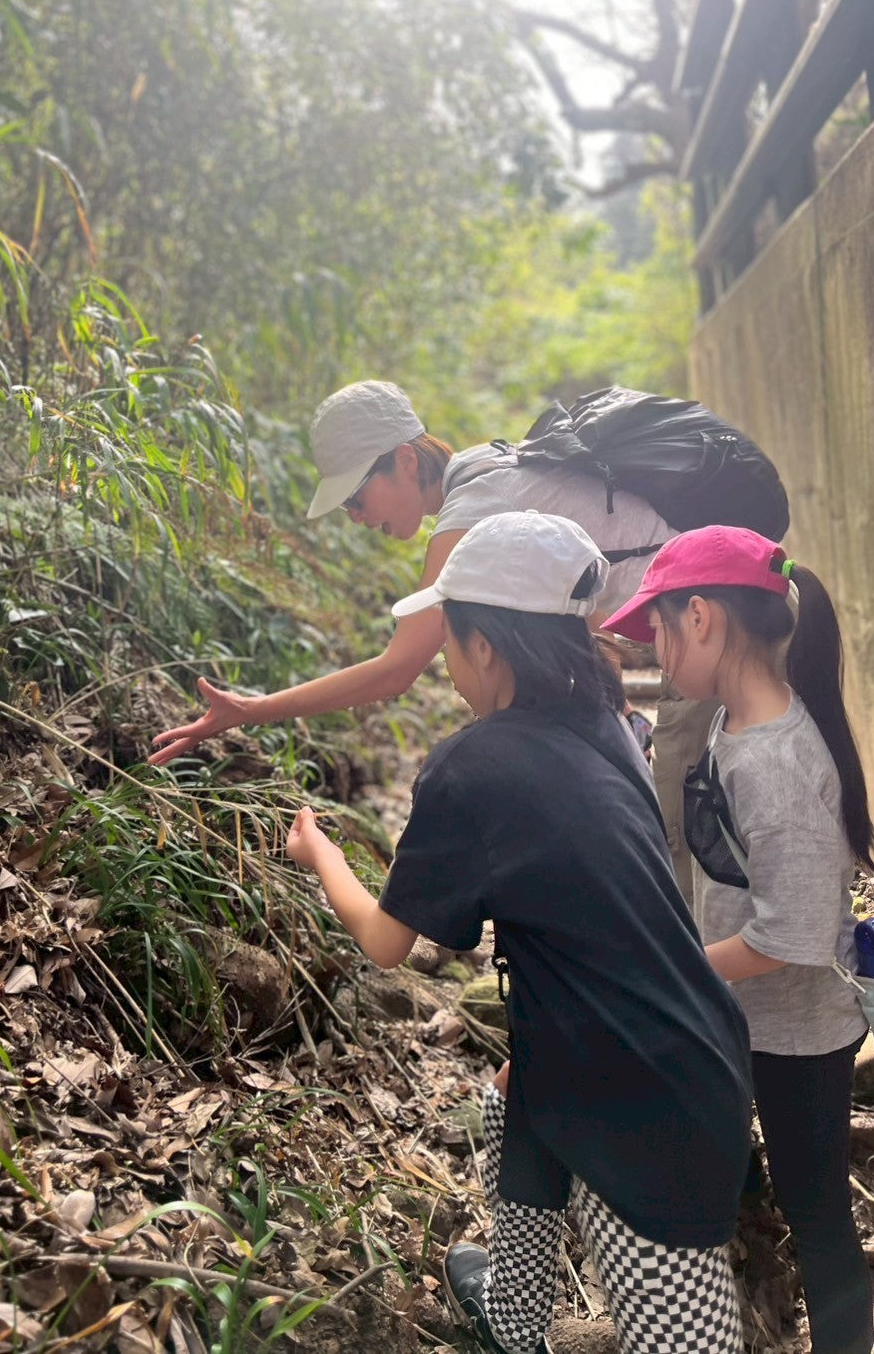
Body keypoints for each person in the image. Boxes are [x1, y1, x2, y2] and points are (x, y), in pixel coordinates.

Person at [287, 510, 752, 1354]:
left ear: (486, 647)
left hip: (648, 1103)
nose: (448, 662)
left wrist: (321, 853)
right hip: (671, 1046)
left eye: (449, 640)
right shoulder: (610, 721)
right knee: (515, 1097)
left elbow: (387, 943)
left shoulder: (474, 767)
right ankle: (513, 1316)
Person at [150, 379, 714, 904]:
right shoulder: (487, 464)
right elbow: (577, 615)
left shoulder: (471, 509)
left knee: (685, 857)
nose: (355, 516)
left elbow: (397, 670)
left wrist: (251, 710)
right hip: (698, 622)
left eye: (356, 496)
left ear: (405, 460)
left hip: (703, 631)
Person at [601, 525, 874, 1354]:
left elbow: (792, 935)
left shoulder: (776, 762)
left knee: (818, 1210)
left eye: (657, 631)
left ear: (702, 618)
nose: (653, 652)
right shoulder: (734, 722)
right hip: (747, 1017)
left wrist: (675, 970)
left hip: (799, 1035)